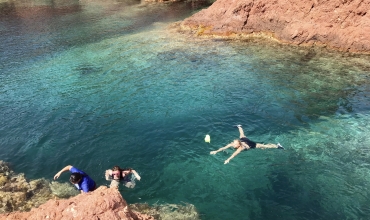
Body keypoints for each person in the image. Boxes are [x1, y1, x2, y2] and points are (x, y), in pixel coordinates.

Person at [210, 125, 284, 164]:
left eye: (234, 144)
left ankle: (278, 146)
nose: (233, 145)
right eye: (233, 143)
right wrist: (216, 151)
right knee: (241, 134)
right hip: (244, 140)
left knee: (264, 146)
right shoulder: (234, 143)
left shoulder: (240, 148)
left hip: (252, 144)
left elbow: (234, 154)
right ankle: (239, 126)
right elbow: (224, 147)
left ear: (238, 145)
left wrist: (228, 160)